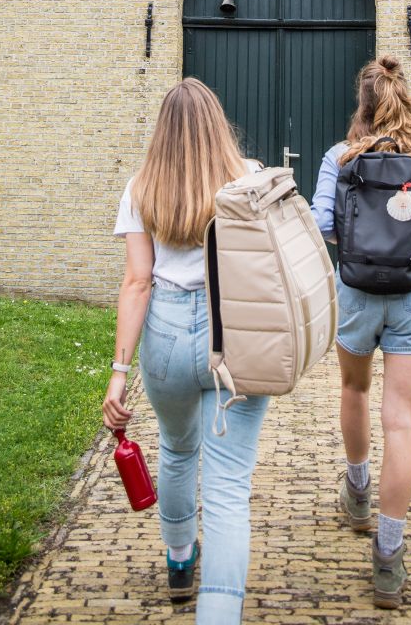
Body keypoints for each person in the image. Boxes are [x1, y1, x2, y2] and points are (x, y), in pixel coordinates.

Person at [311, 54, 411, 609]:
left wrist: (354, 245)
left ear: (361, 106)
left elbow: (322, 224)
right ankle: (388, 557)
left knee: (354, 389)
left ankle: (357, 496)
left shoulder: (341, 156)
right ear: (404, 100)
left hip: (356, 293)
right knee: (401, 421)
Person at [102, 78, 270, 623]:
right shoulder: (250, 177)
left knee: (177, 451)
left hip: (168, 336)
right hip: (236, 337)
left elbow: (137, 283)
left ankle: (179, 563)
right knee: (227, 487)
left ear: (162, 131)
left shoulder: (140, 189)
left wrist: (118, 374)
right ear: (217, 124)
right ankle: (218, 614)